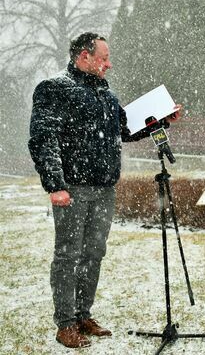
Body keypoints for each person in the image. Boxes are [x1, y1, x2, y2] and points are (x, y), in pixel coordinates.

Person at [28, 32, 181, 348]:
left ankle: (83, 315)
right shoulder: (55, 89)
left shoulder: (107, 96)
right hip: (73, 188)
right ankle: (65, 324)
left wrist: (162, 120)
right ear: (84, 57)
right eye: (103, 58)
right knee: (67, 255)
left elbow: (125, 130)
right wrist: (55, 185)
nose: (109, 64)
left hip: (104, 189)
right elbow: (44, 138)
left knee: (93, 254)